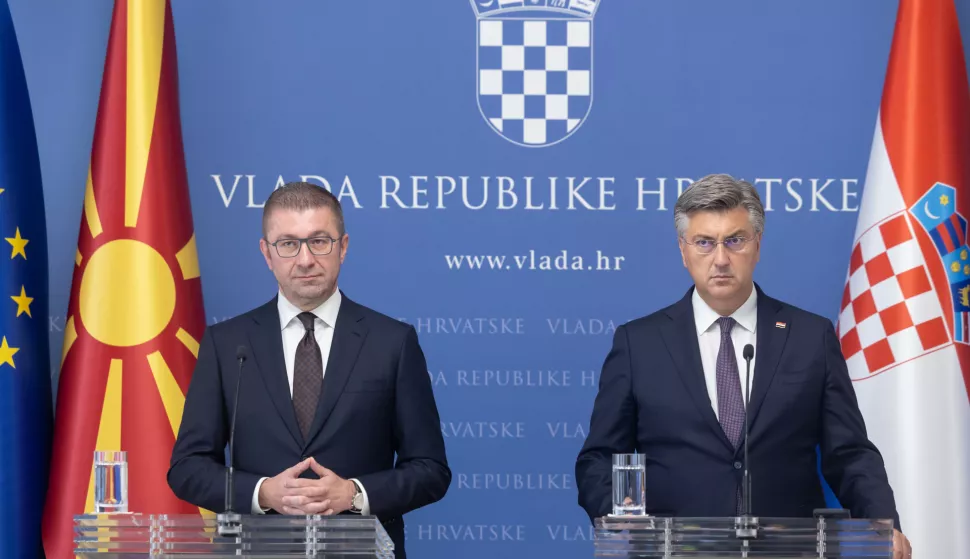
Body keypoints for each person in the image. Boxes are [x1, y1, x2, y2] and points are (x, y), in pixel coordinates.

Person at [575, 174, 912, 558]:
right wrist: (617, 516)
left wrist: (882, 522)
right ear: (683, 250)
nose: (720, 259)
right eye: (704, 242)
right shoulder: (639, 343)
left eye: (735, 240)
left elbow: (849, 453)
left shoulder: (810, 337)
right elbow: (598, 458)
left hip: (789, 551)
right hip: (675, 551)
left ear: (757, 245)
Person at [169, 181, 450, 558]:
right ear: (267, 253)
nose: (305, 259)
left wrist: (354, 495)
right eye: (288, 243)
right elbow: (187, 468)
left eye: (319, 241)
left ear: (343, 247)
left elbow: (431, 470)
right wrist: (263, 493)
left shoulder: (392, 342)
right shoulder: (227, 344)